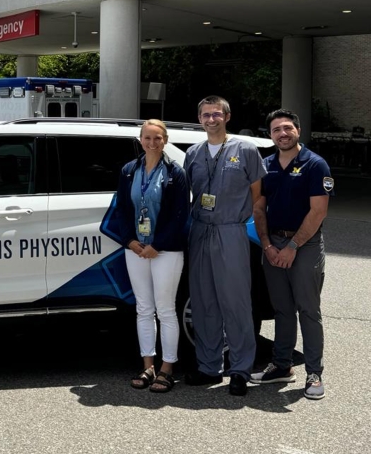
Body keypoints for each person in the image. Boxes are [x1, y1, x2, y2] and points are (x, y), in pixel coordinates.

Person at [182, 95, 265, 396]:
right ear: (200, 118)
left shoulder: (245, 149)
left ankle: (240, 369)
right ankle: (208, 366)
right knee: (204, 302)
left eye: (216, 114)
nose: (211, 119)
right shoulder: (193, 152)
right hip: (200, 231)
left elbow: (258, 194)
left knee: (236, 303)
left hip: (231, 232)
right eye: (206, 115)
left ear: (227, 117)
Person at [100, 120, 190, 393]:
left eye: (158, 138)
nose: (152, 143)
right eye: (148, 138)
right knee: (143, 308)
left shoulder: (176, 172)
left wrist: (158, 244)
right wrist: (130, 241)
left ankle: (167, 369)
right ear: (141, 140)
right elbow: (123, 209)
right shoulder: (129, 170)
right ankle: (148, 365)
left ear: (165, 141)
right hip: (136, 249)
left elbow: (180, 215)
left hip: (166, 250)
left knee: (165, 309)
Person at [252, 109, 332, 400]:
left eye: (287, 128)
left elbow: (318, 211)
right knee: (282, 310)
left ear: (298, 130)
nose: (282, 133)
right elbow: (258, 207)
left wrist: (292, 247)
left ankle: (314, 373)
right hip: (273, 243)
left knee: (309, 311)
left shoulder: (315, 164)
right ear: (270, 135)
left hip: (304, 245)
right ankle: (282, 366)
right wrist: (267, 245)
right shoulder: (266, 164)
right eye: (276, 130)